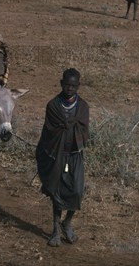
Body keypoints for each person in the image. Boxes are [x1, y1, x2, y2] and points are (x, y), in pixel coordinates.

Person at [36, 68, 89, 247]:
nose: (69, 89)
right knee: (57, 193)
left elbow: (84, 130)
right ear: (61, 84)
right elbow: (50, 132)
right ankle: (55, 230)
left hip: (74, 156)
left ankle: (67, 222)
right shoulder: (53, 105)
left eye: (73, 86)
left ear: (78, 86)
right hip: (58, 156)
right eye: (67, 85)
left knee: (77, 191)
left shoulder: (83, 107)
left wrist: (71, 125)